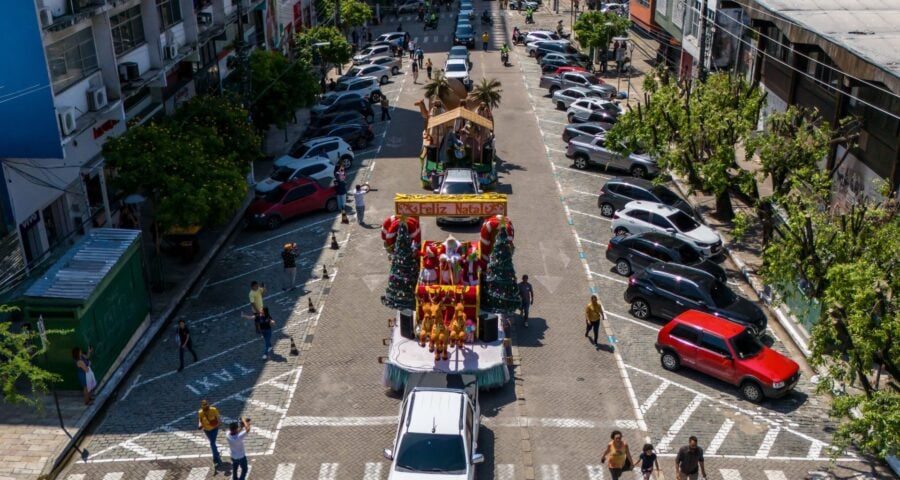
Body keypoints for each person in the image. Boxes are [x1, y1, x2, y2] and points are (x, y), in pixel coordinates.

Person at [198, 400, 223, 468]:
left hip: (214, 429)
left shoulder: (213, 410)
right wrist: (199, 425)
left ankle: (215, 459)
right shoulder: (200, 412)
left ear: (208, 404)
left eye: (206, 405)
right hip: (206, 430)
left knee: (212, 443)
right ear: (202, 406)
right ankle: (216, 452)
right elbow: (200, 420)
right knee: (213, 443)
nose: (205, 407)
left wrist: (221, 426)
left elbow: (218, 418)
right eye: (204, 406)